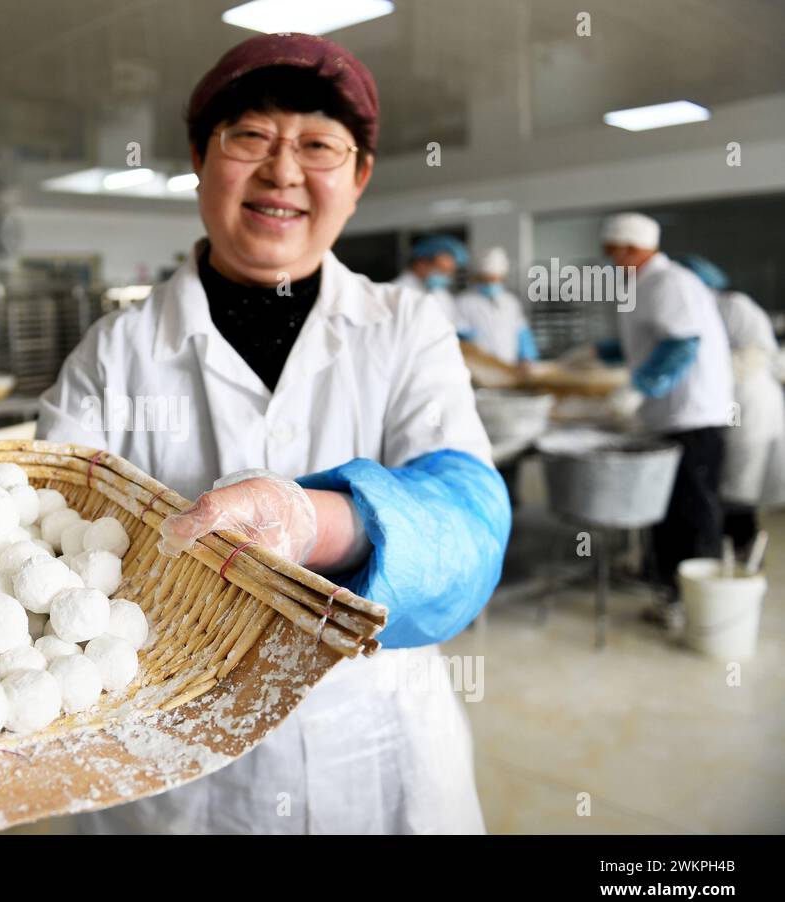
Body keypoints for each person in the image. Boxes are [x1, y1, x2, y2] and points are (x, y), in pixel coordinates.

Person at [36, 33, 511, 834]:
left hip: (373, 743)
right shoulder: (116, 354)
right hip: (169, 760)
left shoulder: (404, 331)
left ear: (358, 179)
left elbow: (470, 529)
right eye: (250, 136)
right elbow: (44, 536)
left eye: (319, 145)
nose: (284, 171)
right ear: (199, 157)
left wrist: (316, 521)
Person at [595, 214, 734, 622]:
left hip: (694, 416)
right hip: (671, 417)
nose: (609, 262)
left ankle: (698, 607)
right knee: (671, 510)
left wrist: (638, 388)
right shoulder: (644, 285)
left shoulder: (669, 282)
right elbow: (644, 343)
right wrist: (596, 353)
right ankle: (670, 590)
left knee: (693, 511)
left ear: (632, 248)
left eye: (612, 253)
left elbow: (681, 345)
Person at [677, 255, 785, 552]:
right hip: (724, 399)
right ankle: (726, 548)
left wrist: (714, 370)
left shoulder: (733, 305)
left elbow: (758, 352)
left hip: (748, 399)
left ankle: (742, 549)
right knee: (726, 473)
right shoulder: (698, 308)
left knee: (740, 474)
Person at [453, 247, 539, 367]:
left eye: (495, 279)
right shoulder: (463, 302)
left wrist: (527, 358)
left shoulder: (510, 302)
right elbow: (462, 337)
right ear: (477, 277)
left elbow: (522, 334)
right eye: (487, 279)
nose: (491, 283)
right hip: (478, 367)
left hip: (510, 366)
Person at [392, 234, 469, 327]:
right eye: (441, 270)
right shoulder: (398, 291)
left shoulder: (437, 291)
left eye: (449, 272)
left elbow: (454, 322)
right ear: (421, 263)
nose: (446, 277)